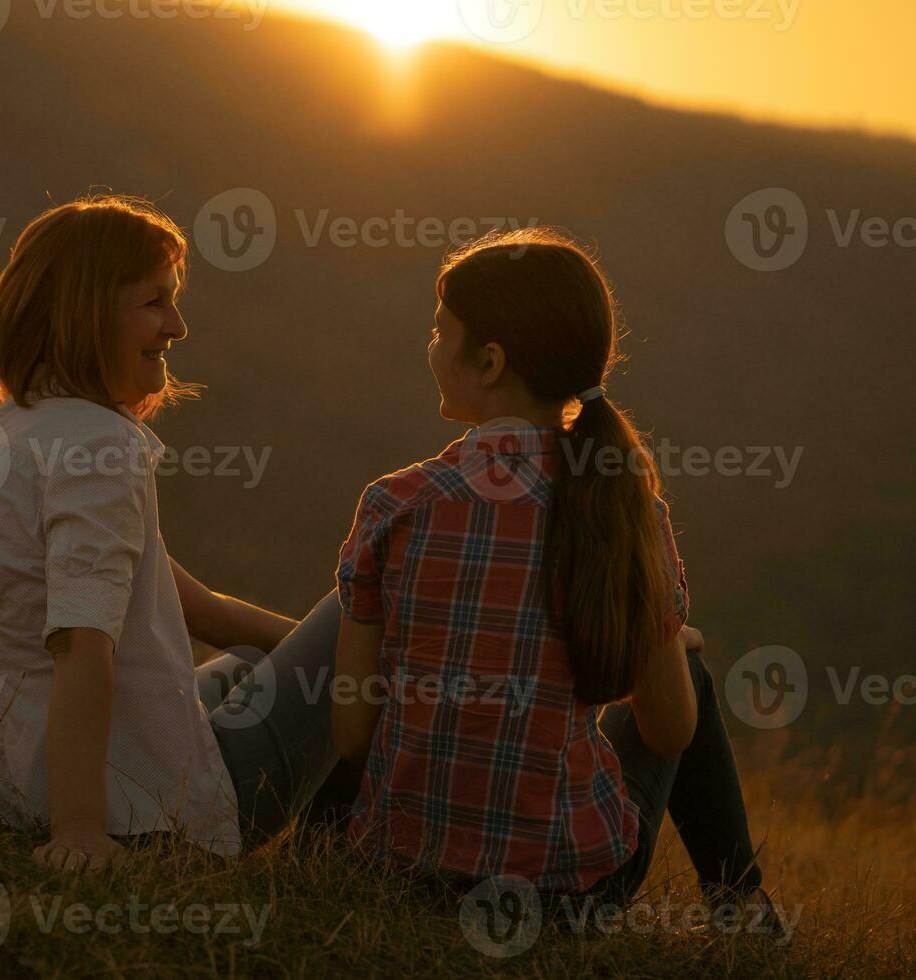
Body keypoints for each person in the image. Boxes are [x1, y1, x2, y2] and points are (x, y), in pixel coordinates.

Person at [331, 229, 777, 927]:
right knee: (687, 673)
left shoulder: (396, 502)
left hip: (402, 873)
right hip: (568, 899)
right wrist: (662, 643)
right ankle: (741, 905)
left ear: (488, 360)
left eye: (437, 331)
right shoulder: (625, 512)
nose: (428, 347)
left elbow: (352, 734)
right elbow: (667, 733)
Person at [0, 195, 347, 870]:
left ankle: (341, 841)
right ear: (87, 313)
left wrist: (330, 668)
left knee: (261, 664)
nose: (177, 327)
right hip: (135, 811)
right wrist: (78, 833)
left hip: (4, 780)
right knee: (377, 600)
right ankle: (352, 856)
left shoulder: (14, 432)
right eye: (155, 303)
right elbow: (80, 645)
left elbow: (197, 608)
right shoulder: (99, 450)